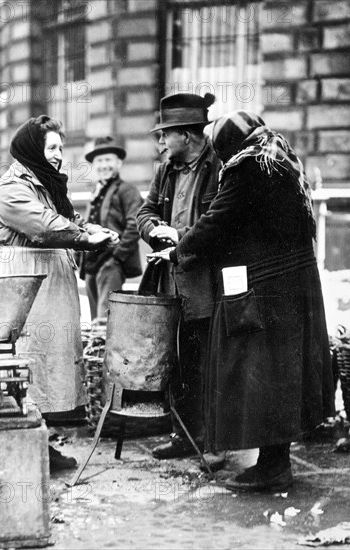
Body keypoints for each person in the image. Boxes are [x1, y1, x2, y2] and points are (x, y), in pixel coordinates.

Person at [150, 111, 335, 490]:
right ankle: (274, 459)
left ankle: (273, 466)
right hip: (296, 284)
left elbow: (218, 219)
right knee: (283, 373)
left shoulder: (247, 167)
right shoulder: (282, 159)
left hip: (266, 288)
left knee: (261, 374)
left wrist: (176, 251)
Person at [0, 115, 118, 471]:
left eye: (62, 147)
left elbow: (69, 222)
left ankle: (42, 444)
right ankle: (24, 448)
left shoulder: (46, 184)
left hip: (48, 288)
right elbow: (43, 227)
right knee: (28, 363)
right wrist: (84, 237)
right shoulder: (12, 187)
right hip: (24, 288)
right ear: (34, 150)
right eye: (53, 148)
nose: (60, 155)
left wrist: (94, 232)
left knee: (50, 364)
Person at [137, 93, 222, 459]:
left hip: (207, 285)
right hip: (170, 284)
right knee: (178, 362)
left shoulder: (218, 167)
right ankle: (183, 436)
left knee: (209, 363)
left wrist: (182, 240)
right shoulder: (166, 170)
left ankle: (214, 440)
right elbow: (144, 211)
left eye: (165, 135)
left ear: (186, 135)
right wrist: (154, 229)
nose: (160, 143)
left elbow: (220, 225)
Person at [79, 137, 143, 319]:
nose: (104, 165)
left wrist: (117, 257)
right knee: (94, 320)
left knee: (105, 320)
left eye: (108, 160)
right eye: (99, 161)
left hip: (110, 264)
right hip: (91, 265)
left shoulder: (127, 190)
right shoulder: (95, 192)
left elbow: (135, 224)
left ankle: (104, 348)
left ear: (119, 163)